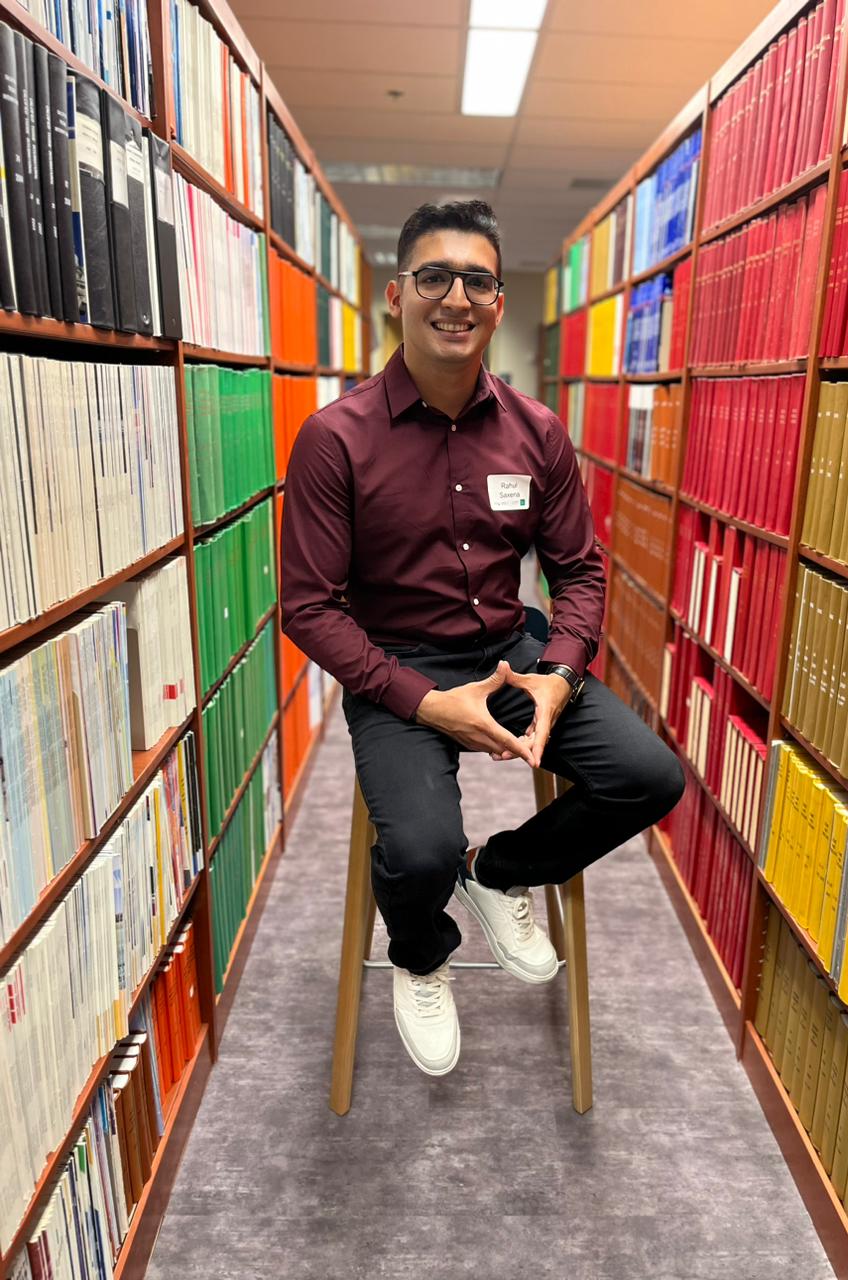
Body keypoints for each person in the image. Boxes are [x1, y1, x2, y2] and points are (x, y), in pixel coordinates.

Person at [280, 200, 684, 1077]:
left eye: (477, 281)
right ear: (396, 296)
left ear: (499, 304)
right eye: (434, 277)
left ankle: (496, 871)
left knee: (649, 777)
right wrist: (426, 703)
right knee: (417, 849)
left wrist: (558, 676)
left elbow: (579, 573)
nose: (455, 298)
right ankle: (420, 953)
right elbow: (308, 607)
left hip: (511, 653)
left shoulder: (538, 434)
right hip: (398, 668)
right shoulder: (334, 440)